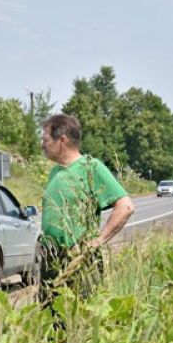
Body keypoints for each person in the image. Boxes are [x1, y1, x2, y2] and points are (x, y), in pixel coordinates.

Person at [39, 114, 135, 299]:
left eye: (45, 140)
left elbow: (126, 207)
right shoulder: (55, 172)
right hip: (51, 257)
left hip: (78, 256)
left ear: (62, 140)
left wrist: (96, 243)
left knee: (80, 312)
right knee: (49, 313)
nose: (42, 145)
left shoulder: (91, 167)